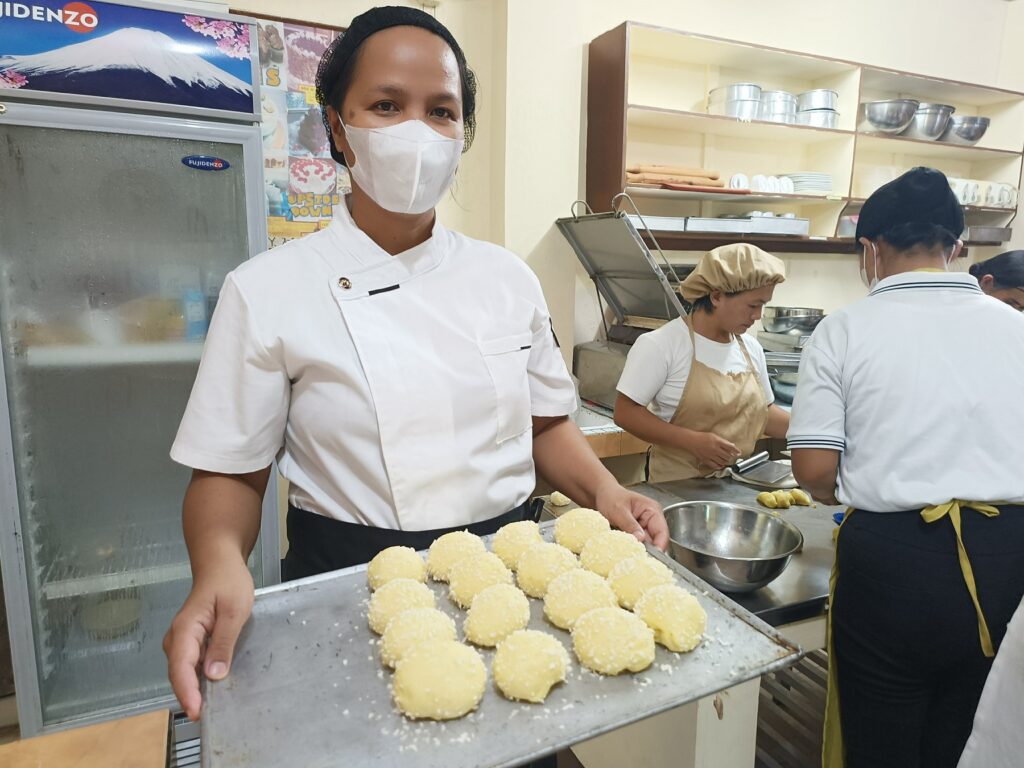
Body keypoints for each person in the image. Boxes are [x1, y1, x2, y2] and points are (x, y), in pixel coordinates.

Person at [163, 6, 668, 723]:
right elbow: (230, 472)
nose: (416, 132)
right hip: (352, 586)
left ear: (462, 135)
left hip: (512, 579)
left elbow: (548, 426)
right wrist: (218, 564)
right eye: (386, 105)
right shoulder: (268, 289)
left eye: (441, 111)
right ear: (338, 127)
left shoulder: (506, 279)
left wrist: (603, 494)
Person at [788, 166, 1024, 768]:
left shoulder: (843, 330)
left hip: (896, 564)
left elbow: (814, 471)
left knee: (880, 738)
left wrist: (876, 475)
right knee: (968, 734)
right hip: (1008, 562)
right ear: (957, 246)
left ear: (870, 247)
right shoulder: (1017, 329)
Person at [613, 244, 791, 483]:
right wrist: (692, 442)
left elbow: (764, 413)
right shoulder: (663, 344)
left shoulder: (750, 348)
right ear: (716, 296)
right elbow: (625, 413)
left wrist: (820, 433)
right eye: (752, 305)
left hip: (739, 485)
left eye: (763, 305)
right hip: (676, 488)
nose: (758, 316)